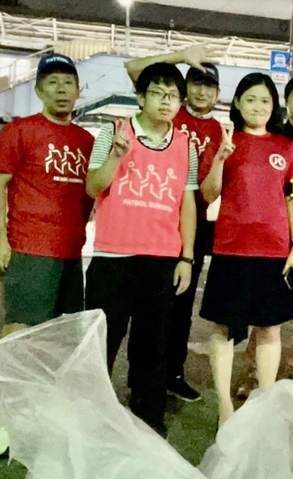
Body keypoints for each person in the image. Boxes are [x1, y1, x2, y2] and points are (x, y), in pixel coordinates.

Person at [0, 53, 94, 458]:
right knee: (19, 331)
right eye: (53, 83)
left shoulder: (87, 142)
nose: (62, 90)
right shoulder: (20, 131)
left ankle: (43, 414)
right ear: (39, 90)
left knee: (61, 338)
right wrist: (0, 238)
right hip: (29, 247)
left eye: (69, 83)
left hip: (70, 252)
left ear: (79, 90)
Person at [84, 62, 198, 436]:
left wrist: (186, 257)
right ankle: (91, 412)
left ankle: (148, 414)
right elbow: (92, 188)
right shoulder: (112, 133)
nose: (167, 102)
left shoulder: (185, 145)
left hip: (162, 258)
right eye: (158, 93)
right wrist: (117, 156)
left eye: (173, 96)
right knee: (103, 340)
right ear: (140, 96)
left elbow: (188, 202)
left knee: (154, 344)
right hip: (113, 256)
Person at [199, 72, 293, 427]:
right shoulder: (225, 142)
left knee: (270, 328)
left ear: (273, 106)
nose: (257, 107)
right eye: (250, 100)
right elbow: (209, 194)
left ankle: (265, 400)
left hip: (273, 251)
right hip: (231, 248)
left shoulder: (286, 148)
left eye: (264, 101)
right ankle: (224, 406)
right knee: (225, 328)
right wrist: (219, 159)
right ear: (238, 104)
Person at [125, 44, 222, 402]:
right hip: (153, 219)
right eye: (194, 83)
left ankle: (173, 373)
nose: (201, 91)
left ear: (218, 94)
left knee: (181, 305)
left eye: (209, 85)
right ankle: (139, 376)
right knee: (148, 304)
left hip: (194, 225)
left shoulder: (221, 132)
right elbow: (135, 67)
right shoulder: (170, 116)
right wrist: (181, 56)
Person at [235, 74, 293, 398]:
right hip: (270, 237)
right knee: (264, 308)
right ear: (285, 101)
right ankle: (253, 372)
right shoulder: (273, 136)